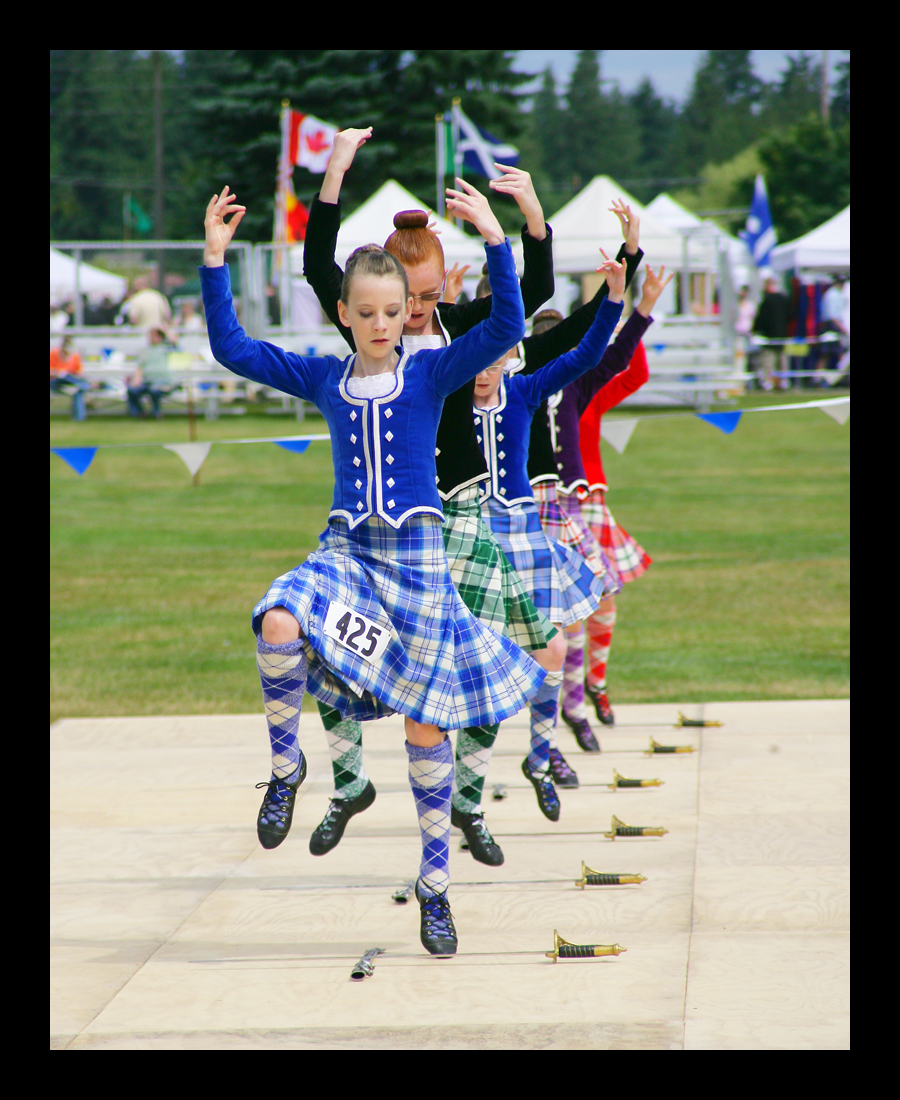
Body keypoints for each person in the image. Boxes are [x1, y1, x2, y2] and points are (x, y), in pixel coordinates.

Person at [201, 183, 545, 956]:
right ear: (347, 315)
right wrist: (215, 259)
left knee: (428, 725)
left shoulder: (430, 373)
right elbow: (233, 348)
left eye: (394, 312)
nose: (384, 324)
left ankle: (433, 886)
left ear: (406, 313)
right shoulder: (326, 378)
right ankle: (286, 770)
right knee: (279, 619)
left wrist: (496, 235)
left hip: (419, 567)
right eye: (368, 312)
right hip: (348, 556)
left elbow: (508, 326)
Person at [303, 127, 565, 865]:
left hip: (463, 522)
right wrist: (336, 175)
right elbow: (317, 268)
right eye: (400, 299)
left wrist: (528, 218)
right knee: (329, 643)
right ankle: (349, 783)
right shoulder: (369, 326)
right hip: (389, 536)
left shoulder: (466, 334)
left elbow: (533, 295)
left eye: (423, 298)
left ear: (445, 287)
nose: (408, 314)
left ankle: (470, 804)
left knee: (482, 673)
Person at [484, 199, 643, 767]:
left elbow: (605, 345)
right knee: (522, 626)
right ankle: (527, 726)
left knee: (589, 601)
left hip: (557, 503)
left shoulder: (556, 378)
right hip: (503, 503)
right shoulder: (487, 371)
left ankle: (572, 707)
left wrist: (632, 289)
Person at [752, 276, 791, 390]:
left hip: (769, 336)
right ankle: (783, 381)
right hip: (782, 334)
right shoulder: (784, 298)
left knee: (768, 361)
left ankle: (768, 382)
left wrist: (755, 330)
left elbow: (761, 318)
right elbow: (790, 315)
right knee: (782, 360)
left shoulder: (767, 300)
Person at [126, 327, 173, 418]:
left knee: (154, 390)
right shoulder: (144, 351)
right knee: (132, 390)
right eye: (151, 335)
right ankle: (139, 413)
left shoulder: (167, 349)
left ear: (160, 337)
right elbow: (139, 367)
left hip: (163, 381)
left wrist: (164, 330)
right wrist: (136, 379)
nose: (152, 337)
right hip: (146, 380)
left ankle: (156, 412)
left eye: (155, 335)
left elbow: (175, 341)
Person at [50, 335, 91, 421]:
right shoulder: (53, 354)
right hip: (55, 383)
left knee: (77, 390)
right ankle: (85, 386)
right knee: (74, 383)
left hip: (71, 384)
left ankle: (78, 419)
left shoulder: (75, 356)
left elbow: (79, 373)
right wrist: (56, 373)